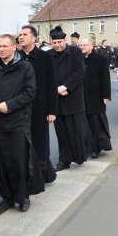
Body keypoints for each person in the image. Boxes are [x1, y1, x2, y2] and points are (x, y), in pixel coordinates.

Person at [0, 34, 40, 213]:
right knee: (2, 161)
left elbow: (30, 92)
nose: (2, 49)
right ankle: (7, 197)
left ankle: (23, 197)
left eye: (5, 46)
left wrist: (10, 105)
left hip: (18, 121)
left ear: (14, 48)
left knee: (20, 160)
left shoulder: (25, 67)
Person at [18, 25, 58, 184]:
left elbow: (51, 84)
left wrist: (52, 110)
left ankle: (43, 175)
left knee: (40, 142)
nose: (21, 37)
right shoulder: (16, 57)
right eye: (20, 34)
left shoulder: (45, 57)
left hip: (39, 107)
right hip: (20, 108)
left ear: (33, 38)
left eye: (24, 34)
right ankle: (27, 175)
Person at [50, 26, 90, 170]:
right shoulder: (49, 55)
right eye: (54, 43)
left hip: (73, 99)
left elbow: (79, 72)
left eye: (59, 42)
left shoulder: (75, 52)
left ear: (65, 41)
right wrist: (56, 89)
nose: (57, 45)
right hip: (57, 100)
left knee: (76, 131)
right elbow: (46, 75)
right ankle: (64, 160)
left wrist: (66, 87)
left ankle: (80, 156)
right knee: (61, 133)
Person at [81, 38, 112, 158]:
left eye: (85, 45)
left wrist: (106, 96)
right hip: (82, 97)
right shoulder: (79, 59)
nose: (82, 47)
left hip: (96, 97)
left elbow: (105, 79)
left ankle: (96, 148)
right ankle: (87, 147)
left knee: (96, 124)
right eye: (81, 45)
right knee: (85, 124)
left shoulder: (101, 59)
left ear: (91, 46)